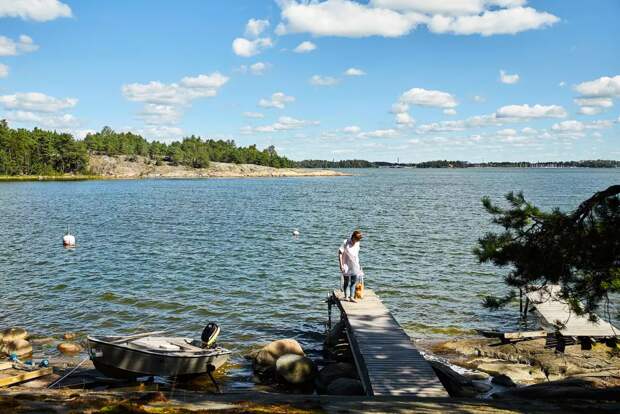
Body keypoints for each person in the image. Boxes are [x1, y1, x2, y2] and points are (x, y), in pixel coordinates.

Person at [338, 230, 364, 302]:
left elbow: (356, 254)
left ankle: (351, 297)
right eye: (356, 239)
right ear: (352, 237)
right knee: (346, 281)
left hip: (355, 264)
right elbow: (339, 253)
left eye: (358, 240)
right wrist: (341, 265)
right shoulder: (346, 242)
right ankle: (346, 296)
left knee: (353, 281)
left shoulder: (357, 243)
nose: (356, 241)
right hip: (346, 264)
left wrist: (359, 265)